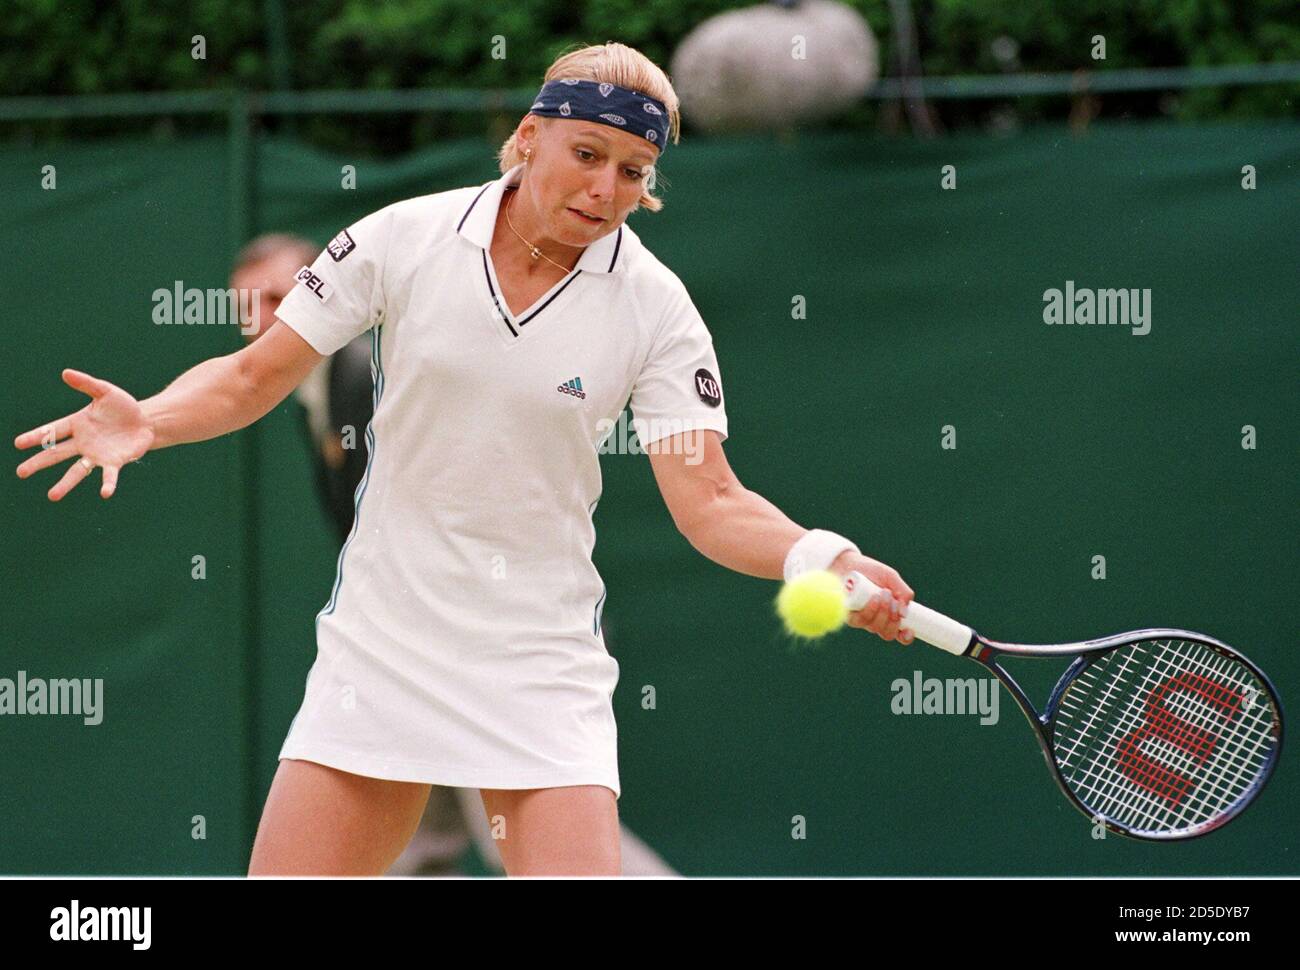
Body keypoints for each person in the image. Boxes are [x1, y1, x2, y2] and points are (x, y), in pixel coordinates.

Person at [13, 41, 915, 876]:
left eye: (634, 170)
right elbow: (253, 376)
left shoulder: (660, 311)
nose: (606, 186)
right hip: (384, 646)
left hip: (538, 662)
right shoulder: (400, 238)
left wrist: (818, 555)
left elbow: (712, 500)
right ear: (528, 138)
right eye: (587, 154)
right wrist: (152, 420)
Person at [230, 234, 676, 875]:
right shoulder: (318, 392)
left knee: (522, 840)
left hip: (493, 646)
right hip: (424, 647)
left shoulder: (365, 377)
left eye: (280, 295)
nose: (265, 316)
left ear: (318, 293)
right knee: (424, 846)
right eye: (249, 302)